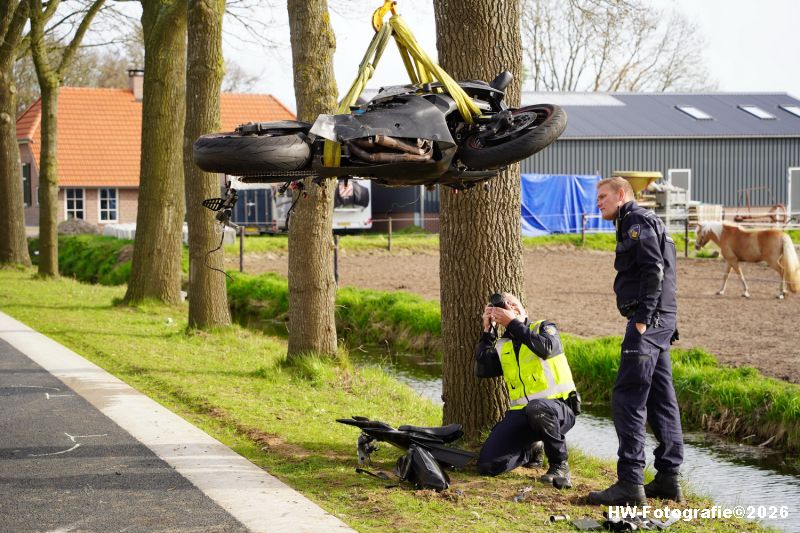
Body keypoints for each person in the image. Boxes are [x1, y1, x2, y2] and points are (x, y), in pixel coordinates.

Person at [588, 176, 685, 506]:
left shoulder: (635, 220)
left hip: (649, 323)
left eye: (602, 196)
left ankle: (630, 483)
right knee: (661, 399)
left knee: (627, 399)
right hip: (663, 322)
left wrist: (642, 318)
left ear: (620, 194)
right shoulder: (648, 220)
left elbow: (654, 269)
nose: (598, 202)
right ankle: (669, 479)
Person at [474, 292, 580, 488]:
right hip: (523, 415)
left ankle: (560, 465)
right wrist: (488, 331)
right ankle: (531, 450)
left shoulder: (544, 328)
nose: (509, 308)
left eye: (513, 304)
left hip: (559, 409)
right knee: (487, 465)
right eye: (504, 307)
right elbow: (482, 370)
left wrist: (513, 323)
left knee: (537, 407)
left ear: (525, 311)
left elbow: (547, 348)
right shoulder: (503, 344)